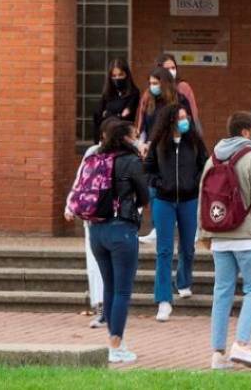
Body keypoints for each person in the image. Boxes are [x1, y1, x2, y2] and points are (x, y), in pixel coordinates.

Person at [64, 117, 149, 364]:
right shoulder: (131, 161)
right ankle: (115, 344)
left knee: (109, 287)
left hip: (96, 231)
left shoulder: (94, 157)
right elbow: (144, 196)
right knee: (122, 290)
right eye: (134, 135)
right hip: (121, 230)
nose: (137, 139)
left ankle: (115, 340)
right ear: (125, 138)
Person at [200, 112, 251, 370]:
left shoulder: (212, 159)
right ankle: (242, 343)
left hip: (220, 234)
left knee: (222, 291)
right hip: (249, 236)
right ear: (245, 132)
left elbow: (203, 199)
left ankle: (217, 353)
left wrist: (205, 233)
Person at [144, 104, 208, 322]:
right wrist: (158, 183)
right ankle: (163, 300)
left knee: (188, 246)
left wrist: (195, 182)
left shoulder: (195, 142)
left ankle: (184, 281)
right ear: (170, 120)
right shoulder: (159, 144)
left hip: (189, 200)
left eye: (185, 117)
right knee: (164, 250)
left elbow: (205, 165)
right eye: (180, 118)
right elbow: (148, 169)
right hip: (164, 200)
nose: (184, 121)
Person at [136, 67, 191, 244]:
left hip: (175, 148)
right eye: (150, 83)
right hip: (154, 149)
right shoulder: (149, 101)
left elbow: (186, 123)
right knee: (153, 187)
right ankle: (157, 226)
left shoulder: (179, 100)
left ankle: (180, 225)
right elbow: (144, 126)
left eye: (156, 83)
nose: (152, 87)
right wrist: (143, 143)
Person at [68, 140, 106, 329]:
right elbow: (80, 181)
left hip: (116, 221)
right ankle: (100, 305)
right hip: (92, 218)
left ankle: (110, 308)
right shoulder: (93, 152)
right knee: (94, 265)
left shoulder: (126, 155)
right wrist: (70, 205)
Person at [92, 58, 141, 145]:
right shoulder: (107, 93)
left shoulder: (133, 93)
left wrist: (107, 114)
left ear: (126, 74)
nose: (117, 78)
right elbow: (97, 115)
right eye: (114, 76)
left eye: (120, 75)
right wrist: (118, 115)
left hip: (124, 139)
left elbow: (126, 117)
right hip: (105, 138)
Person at [157, 53, 202, 128]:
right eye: (167, 69)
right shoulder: (155, 88)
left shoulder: (183, 87)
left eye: (173, 68)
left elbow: (193, 112)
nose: (171, 71)